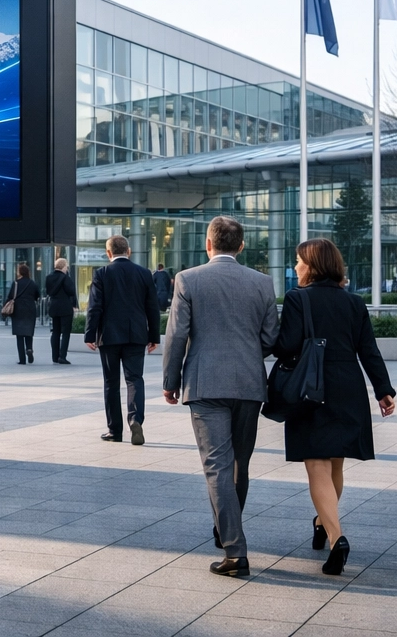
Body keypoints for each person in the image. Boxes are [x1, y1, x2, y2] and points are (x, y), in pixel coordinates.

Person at [161, 216, 279, 579]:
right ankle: (227, 527)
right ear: (241, 246)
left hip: (205, 383)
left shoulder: (188, 279)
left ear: (208, 244)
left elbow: (177, 335)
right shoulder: (262, 282)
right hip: (248, 384)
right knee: (239, 463)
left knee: (216, 465)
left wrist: (171, 380)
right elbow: (271, 337)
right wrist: (244, 355)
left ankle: (234, 550)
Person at [276, 238, 397, 577]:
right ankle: (322, 521)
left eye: (299, 261)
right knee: (335, 465)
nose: (296, 267)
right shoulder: (355, 302)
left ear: (312, 266)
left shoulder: (297, 299)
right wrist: (383, 391)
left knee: (317, 464)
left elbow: (286, 346)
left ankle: (336, 538)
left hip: (312, 389)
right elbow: (369, 350)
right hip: (348, 387)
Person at [85, 235, 161, 445]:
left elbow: (95, 307)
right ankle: (135, 419)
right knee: (134, 379)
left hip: (108, 336)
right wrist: (154, 336)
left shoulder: (102, 274)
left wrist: (90, 334)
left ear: (108, 253)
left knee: (111, 383)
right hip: (136, 335)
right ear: (129, 251)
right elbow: (152, 308)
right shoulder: (144, 273)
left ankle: (114, 430)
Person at [44, 258, 79, 364]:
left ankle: (55, 356)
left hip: (54, 306)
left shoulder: (49, 277)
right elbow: (71, 291)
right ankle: (62, 356)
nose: (67, 269)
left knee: (55, 332)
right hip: (65, 307)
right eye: (66, 267)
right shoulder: (65, 278)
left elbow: (48, 291)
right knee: (66, 333)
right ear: (63, 266)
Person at [6, 263, 40, 364]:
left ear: (19, 272)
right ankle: (29, 348)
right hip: (30, 309)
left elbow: (11, 296)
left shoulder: (16, 283)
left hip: (18, 309)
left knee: (19, 335)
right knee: (29, 332)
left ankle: (22, 359)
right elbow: (37, 295)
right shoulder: (32, 283)